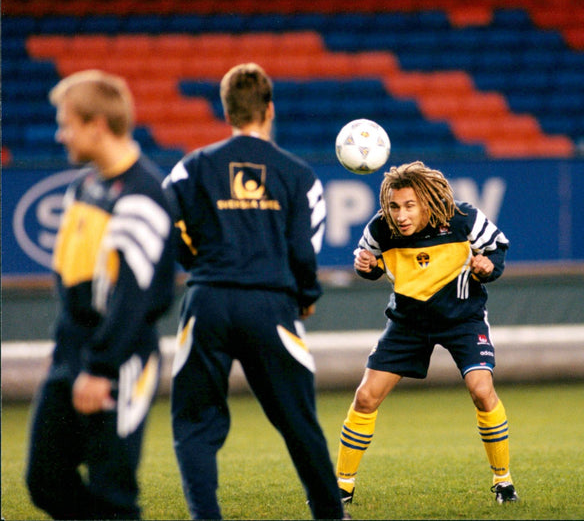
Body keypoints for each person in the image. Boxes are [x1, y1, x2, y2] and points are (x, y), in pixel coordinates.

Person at [162, 63, 344, 520]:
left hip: (207, 301)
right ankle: (329, 513)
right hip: (271, 304)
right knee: (298, 420)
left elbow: (162, 223)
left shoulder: (194, 167)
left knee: (195, 426)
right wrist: (307, 293)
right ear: (269, 109)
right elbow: (305, 247)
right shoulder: (298, 174)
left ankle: (207, 517)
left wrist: (195, 263)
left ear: (226, 111)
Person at [25, 69, 177, 519]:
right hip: (71, 355)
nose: (61, 133)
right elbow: (72, 282)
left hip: (118, 361)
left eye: (67, 122)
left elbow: (138, 300)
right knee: (45, 480)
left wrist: (100, 367)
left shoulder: (143, 197)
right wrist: (66, 353)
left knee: (113, 490)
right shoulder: (84, 186)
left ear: (97, 125)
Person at [335, 161, 519, 506]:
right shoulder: (380, 229)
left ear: (427, 203)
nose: (400, 215)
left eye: (409, 206)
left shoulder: (463, 218)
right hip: (408, 324)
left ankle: (503, 482)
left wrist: (488, 266)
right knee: (365, 398)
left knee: (482, 391)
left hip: (463, 320)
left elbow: (497, 248)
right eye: (393, 206)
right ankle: (341, 487)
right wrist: (365, 268)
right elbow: (369, 263)